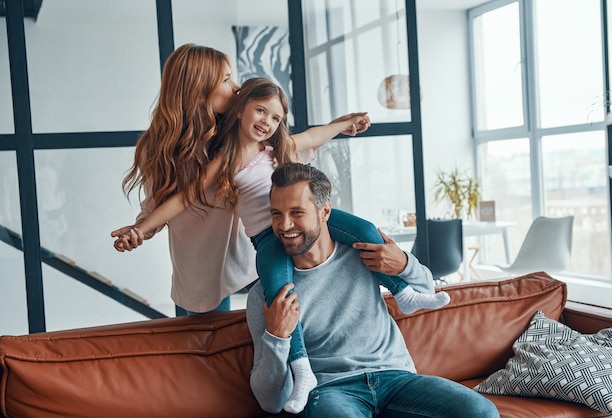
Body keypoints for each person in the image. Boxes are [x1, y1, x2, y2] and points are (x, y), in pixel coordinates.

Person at [115, 78, 450, 414]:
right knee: (283, 295)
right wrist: (141, 229)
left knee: (365, 229)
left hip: (307, 227)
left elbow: (314, 136)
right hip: (268, 239)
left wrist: (343, 125)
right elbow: (184, 197)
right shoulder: (227, 160)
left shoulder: (278, 150)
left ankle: (403, 293)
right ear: (240, 110)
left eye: (275, 118)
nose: (266, 122)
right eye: (260, 111)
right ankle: (302, 369)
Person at [111, 43, 369, 314]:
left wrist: (336, 126)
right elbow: (163, 204)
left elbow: (293, 143)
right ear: (198, 91)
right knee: (209, 343)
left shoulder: (234, 130)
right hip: (203, 271)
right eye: (225, 79)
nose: (236, 87)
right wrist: (139, 231)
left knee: (285, 312)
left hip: (254, 252)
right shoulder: (162, 149)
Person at [246, 162, 499, 417]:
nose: (284, 225)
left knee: (481, 411)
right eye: (276, 214)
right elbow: (270, 401)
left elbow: (425, 290)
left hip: (397, 379)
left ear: (324, 212)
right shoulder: (266, 295)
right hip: (332, 391)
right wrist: (277, 337)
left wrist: (403, 264)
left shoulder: (363, 254)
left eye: (296, 212)